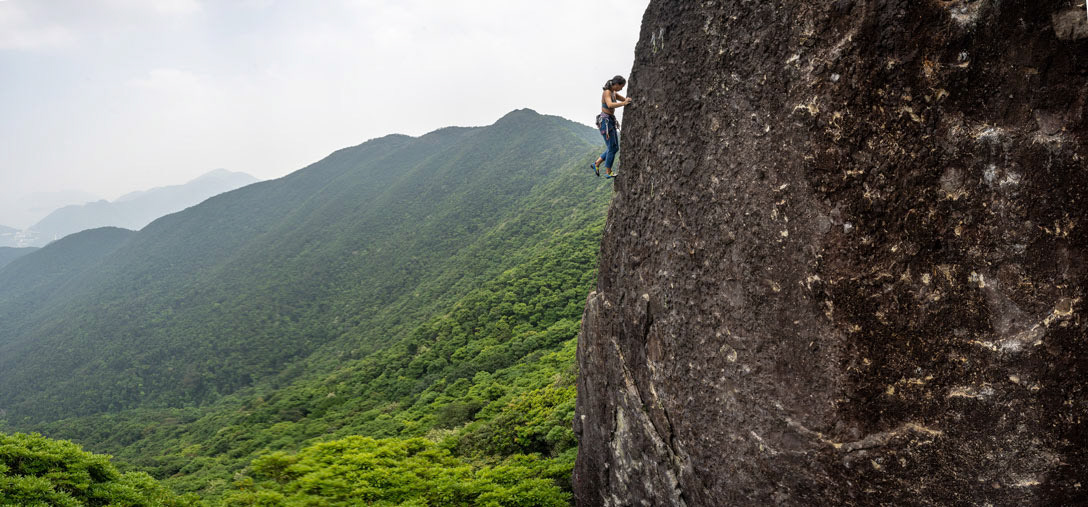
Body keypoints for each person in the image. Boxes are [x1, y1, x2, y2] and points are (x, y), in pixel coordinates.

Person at [591, 75, 632, 179]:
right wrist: (623, 103)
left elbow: (624, 99)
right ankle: (608, 172)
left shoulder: (613, 92)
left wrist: (627, 100)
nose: (621, 89)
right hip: (605, 122)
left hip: (610, 121)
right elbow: (609, 105)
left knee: (615, 148)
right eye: (621, 87)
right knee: (611, 148)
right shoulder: (607, 92)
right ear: (616, 84)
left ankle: (596, 163)